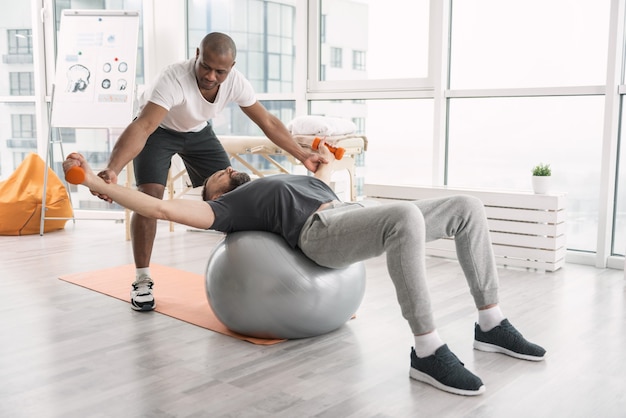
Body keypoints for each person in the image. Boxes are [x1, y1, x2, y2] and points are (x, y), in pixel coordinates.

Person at [63, 141, 546, 397]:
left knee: (467, 206)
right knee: (405, 216)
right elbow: (163, 209)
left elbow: (320, 176)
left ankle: (491, 323)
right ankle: (427, 351)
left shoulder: (276, 179)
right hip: (322, 234)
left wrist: (325, 156)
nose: (220, 170)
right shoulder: (227, 209)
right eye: (212, 176)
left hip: (350, 210)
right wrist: (99, 186)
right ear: (212, 195)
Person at [92, 32, 324, 312]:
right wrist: (112, 169)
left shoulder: (236, 82)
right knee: (150, 200)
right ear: (197, 54)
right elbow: (142, 128)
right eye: (206, 67)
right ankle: (142, 279)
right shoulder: (173, 79)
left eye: (220, 71)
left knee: (237, 196)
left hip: (198, 132)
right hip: (158, 131)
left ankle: (254, 273)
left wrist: (302, 155)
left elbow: (268, 122)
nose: (212, 76)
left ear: (232, 67)